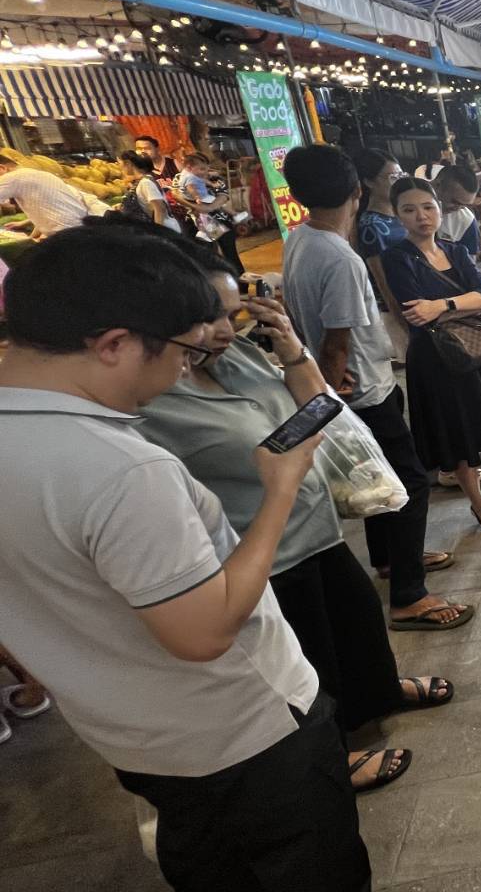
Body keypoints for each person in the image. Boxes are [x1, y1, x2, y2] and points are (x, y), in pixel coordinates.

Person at [0, 226, 371, 890]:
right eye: (183, 351)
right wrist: (281, 490)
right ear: (114, 344)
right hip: (244, 733)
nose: (184, 370)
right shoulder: (120, 469)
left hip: (130, 736)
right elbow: (202, 634)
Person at [133, 235, 457, 791]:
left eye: (230, 312)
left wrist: (291, 350)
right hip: (261, 550)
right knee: (309, 654)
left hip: (316, 526)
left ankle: (379, 694)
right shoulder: (152, 400)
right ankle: (335, 753)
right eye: (207, 316)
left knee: (357, 620)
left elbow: (319, 405)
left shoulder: (237, 355)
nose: (222, 328)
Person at [280, 146, 471, 631]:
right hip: (363, 389)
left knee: (376, 477)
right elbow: (338, 340)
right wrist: (329, 388)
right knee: (410, 483)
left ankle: (389, 558)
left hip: (355, 383)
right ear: (357, 191)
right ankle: (408, 596)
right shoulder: (341, 258)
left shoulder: (299, 239)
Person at [380, 177, 481, 534]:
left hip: (475, 350)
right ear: (397, 215)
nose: (421, 217)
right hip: (435, 359)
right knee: (457, 438)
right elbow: (416, 313)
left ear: (439, 209)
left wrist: (442, 305)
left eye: (428, 207)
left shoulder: (454, 250)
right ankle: (480, 504)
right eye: (409, 210)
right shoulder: (396, 258)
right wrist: (466, 305)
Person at [0, 154, 108, 239]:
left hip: (67, 234)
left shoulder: (12, 177)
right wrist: (31, 236)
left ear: (1, 168)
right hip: (79, 229)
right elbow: (46, 210)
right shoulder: (38, 174)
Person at [173, 152, 242, 272]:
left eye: (206, 167)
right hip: (196, 222)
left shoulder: (214, 177)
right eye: (201, 168)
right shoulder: (180, 177)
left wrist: (209, 208)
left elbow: (223, 195)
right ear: (190, 167)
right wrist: (197, 206)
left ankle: (239, 280)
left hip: (220, 220)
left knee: (230, 254)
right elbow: (176, 195)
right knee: (207, 256)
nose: (205, 171)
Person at [117, 150, 181, 232]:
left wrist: (158, 231)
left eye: (120, 164)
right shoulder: (142, 181)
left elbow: (160, 208)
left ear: (128, 163)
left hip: (167, 229)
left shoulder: (145, 182)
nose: (120, 167)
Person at [433, 164, 481, 263]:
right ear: (438, 185)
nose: (458, 208)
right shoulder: (409, 207)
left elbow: (469, 262)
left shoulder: (466, 220)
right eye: (455, 202)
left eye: (464, 205)